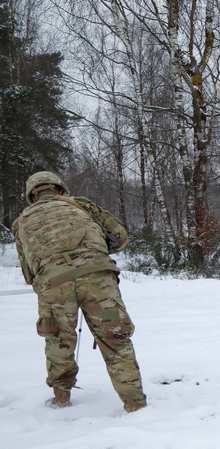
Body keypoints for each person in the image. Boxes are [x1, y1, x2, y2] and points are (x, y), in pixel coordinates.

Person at [13, 171, 147, 412]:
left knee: (58, 341)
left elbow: (28, 272)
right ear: (60, 190)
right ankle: (135, 403)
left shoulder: (22, 221)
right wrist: (96, 253)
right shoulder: (80, 204)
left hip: (53, 284)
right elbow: (120, 235)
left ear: (32, 197)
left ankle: (61, 399)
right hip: (98, 276)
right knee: (115, 338)